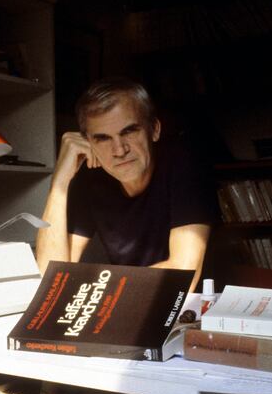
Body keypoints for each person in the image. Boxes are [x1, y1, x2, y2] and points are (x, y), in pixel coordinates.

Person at [35, 78, 215, 287]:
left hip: (200, 309)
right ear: (89, 142)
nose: (119, 151)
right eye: (103, 138)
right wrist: (60, 180)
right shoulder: (91, 177)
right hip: (134, 301)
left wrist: (99, 291)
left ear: (154, 129)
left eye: (129, 131)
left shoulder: (184, 164)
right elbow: (49, 277)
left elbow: (183, 276)